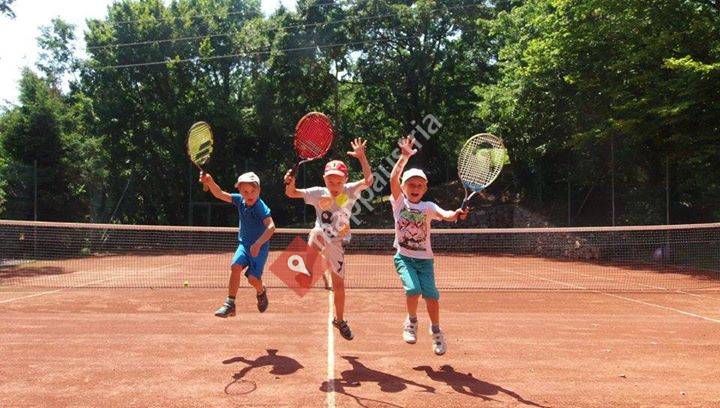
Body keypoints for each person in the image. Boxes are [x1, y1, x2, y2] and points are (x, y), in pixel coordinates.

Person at [284, 138, 373, 340]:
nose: (334, 184)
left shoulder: (350, 191)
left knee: (339, 286)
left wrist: (362, 157)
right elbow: (291, 193)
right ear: (324, 179)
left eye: (338, 181)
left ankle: (339, 320)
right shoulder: (317, 193)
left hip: (338, 244)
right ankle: (308, 268)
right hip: (320, 236)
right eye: (330, 180)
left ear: (345, 180)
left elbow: (369, 181)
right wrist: (290, 181)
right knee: (316, 233)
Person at [389, 136, 467, 355]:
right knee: (413, 289)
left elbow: (448, 215)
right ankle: (411, 321)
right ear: (404, 187)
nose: (415, 188)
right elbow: (393, 178)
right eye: (411, 184)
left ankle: (436, 331)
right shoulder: (398, 203)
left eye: (419, 185)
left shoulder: (428, 206)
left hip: (425, 261)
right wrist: (404, 156)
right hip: (404, 257)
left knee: (432, 296)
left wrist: (457, 214)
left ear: (425, 189)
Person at [200, 171, 276, 316]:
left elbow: (271, 227)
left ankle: (261, 291)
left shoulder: (260, 207)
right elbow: (220, 194)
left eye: (253, 191)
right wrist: (209, 181)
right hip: (244, 245)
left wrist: (258, 244)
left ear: (259, 190)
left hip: (259, 248)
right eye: (245, 191)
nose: (249, 195)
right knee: (235, 266)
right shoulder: (239, 201)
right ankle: (230, 304)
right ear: (240, 191)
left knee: (253, 279)